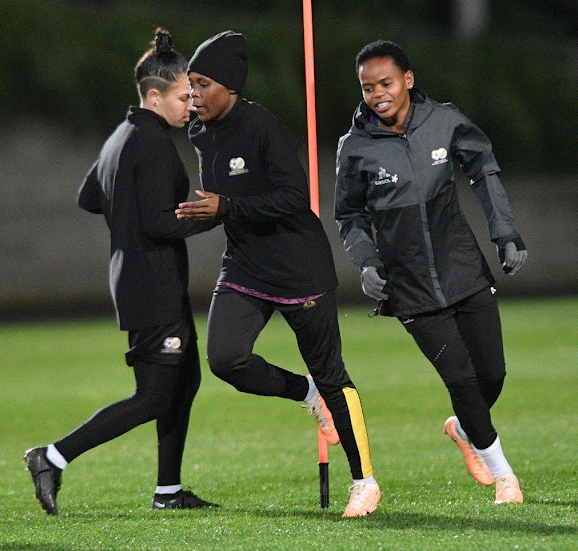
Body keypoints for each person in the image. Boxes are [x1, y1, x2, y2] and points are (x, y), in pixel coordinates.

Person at [175, 31, 381, 518]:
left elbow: (294, 199)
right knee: (225, 359)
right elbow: (219, 207)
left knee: (334, 376)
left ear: (230, 85)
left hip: (299, 270)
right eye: (190, 84)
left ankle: (365, 482)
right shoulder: (199, 133)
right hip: (245, 265)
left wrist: (227, 205)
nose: (194, 94)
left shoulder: (264, 128)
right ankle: (307, 394)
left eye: (202, 83)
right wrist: (169, 227)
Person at [24, 28, 218, 515]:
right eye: (181, 97)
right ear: (155, 95)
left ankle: (168, 491)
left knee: (185, 381)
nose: (190, 106)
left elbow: (89, 197)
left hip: (139, 280)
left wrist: (129, 224)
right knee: (154, 396)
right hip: (152, 285)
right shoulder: (152, 144)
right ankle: (51, 457)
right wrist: (213, 215)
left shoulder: (122, 135)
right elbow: (158, 223)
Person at [334, 40, 528, 504]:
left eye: (385, 83)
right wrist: (366, 261)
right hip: (410, 288)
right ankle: (505, 476)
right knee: (460, 379)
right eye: (367, 87)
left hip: (465, 271)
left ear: (408, 80)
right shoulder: (355, 148)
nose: (378, 94)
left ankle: (465, 427)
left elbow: (484, 168)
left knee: (491, 377)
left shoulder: (445, 121)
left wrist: (504, 231)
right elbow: (349, 217)